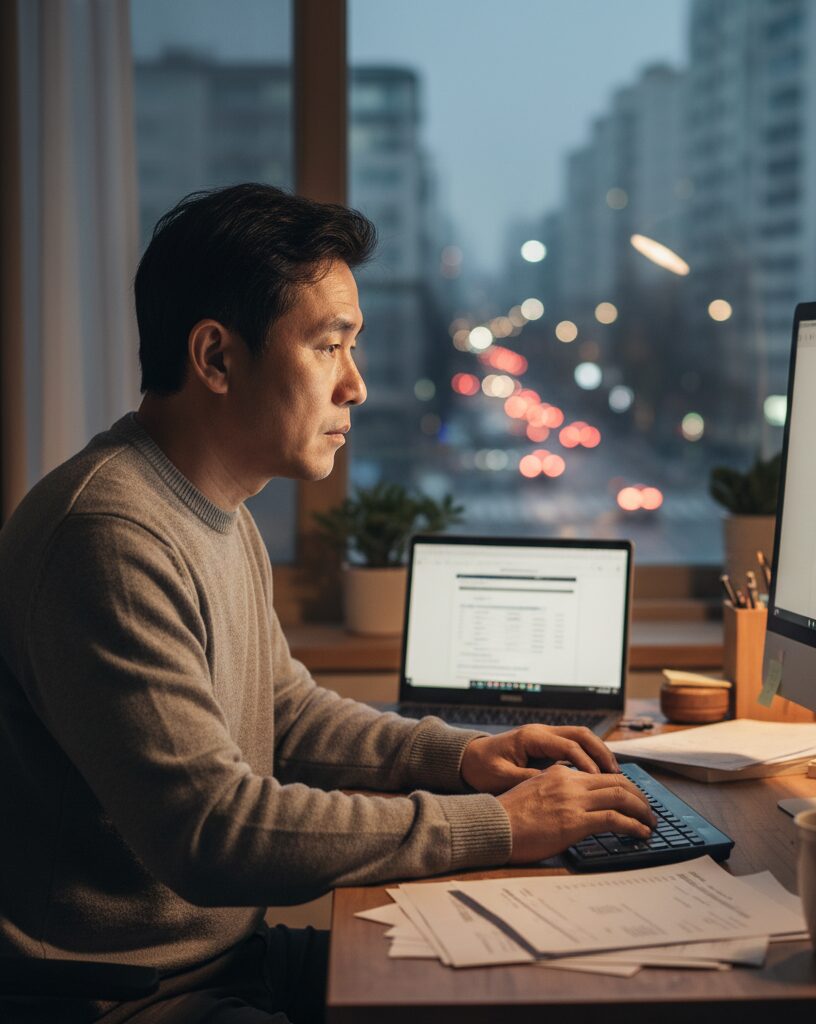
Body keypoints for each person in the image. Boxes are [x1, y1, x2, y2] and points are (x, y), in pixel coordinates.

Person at [0, 184, 656, 1023]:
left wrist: (460, 758)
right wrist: (496, 826)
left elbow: (286, 714)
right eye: (329, 346)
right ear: (216, 358)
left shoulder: (212, 508)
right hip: (129, 998)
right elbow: (212, 831)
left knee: (528, 986)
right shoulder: (110, 535)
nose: (356, 385)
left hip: (224, 961)